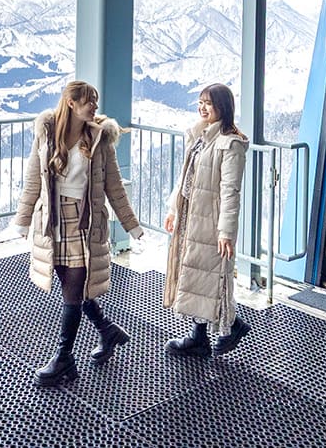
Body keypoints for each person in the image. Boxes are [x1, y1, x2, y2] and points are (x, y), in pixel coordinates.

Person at [13, 80, 144, 386]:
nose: (95, 107)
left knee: (73, 291)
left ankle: (64, 359)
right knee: (71, 288)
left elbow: (114, 186)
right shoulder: (46, 133)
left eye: (95, 102)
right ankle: (107, 331)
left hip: (84, 223)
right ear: (71, 103)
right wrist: (23, 219)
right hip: (52, 220)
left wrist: (131, 225)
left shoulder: (99, 139)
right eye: (89, 102)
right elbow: (33, 179)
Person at [161, 83, 251, 356]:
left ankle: (232, 326)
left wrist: (226, 232)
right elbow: (185, 178)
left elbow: (230, 192)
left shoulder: (230, 144)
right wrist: (174, 209)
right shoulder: (200, 136)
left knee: (213, 278)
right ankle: (198, 337)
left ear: (222, 107)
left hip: (210, 222)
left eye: (208, 103)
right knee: (194, 275)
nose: (202, 108)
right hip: (191, 217)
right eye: (200, 102)